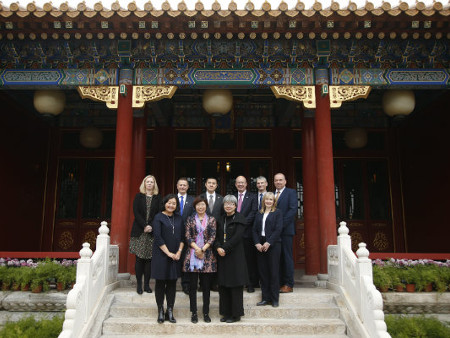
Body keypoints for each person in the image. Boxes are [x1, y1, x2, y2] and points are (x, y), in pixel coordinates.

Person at [214, 195, 249, 323]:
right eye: (226, 204)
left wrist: (225, 248)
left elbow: (237, 237)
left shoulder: (240, 219)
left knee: (235, 285)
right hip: (222, 256)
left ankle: (236, 314)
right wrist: (218, 247)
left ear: (235, 206)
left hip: (235, 256)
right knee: (223, 285)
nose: (228, 206)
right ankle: (226, 313)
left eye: (231, 204)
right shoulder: (220, 219)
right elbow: (216, 236)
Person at [151, 194, 184, 324]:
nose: (171, 205)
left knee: (172, 284)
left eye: (174, 204)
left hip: (176, 256)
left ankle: (170, 310)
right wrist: (169, 253)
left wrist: (179, 252)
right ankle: (160, 310)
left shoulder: (180, 218)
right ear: (165, 203)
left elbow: (182, 237)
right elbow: (157, 237)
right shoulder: (158, 217)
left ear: (176, 206)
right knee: (160, 283)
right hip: (161, 254)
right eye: (169, 203)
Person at [183, 196, 217, 324]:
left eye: (202, 204)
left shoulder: (212, 220)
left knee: (206, 287)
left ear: (206, 206)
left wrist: (203, 250)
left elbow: (213, 237)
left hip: (207, 256)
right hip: (193, 254)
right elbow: (187, 236)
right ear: (195, 207)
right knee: (193, 287)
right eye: (198, 205)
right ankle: (194, 313)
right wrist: (197, 249)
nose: (200, 207)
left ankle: (206, 312)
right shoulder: (190, 219)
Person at [129, 175, 162, 295]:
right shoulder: (138, 197)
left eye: (151, 182)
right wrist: (145, 225)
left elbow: (159, 213)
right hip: (140, 231)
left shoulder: (158, 198)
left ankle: (147, 284)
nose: (149, 184)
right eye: (147, 182)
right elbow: (136, 213)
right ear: (144, 183)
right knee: (139, 259)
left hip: (152, 232)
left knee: (149, 259)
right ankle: (139, 284)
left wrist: (151, 226)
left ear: (154, 184)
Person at [252, 192, 283, 307]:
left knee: (273, 272)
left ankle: (275, 299)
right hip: (260, 245)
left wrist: (269, 242)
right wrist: (257, 243)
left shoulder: (277, 213)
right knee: (263, 272)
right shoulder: (259, 214)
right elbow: (254, 230)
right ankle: (265, 298)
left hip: (273, 245)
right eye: (267, 199)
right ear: (263, 201)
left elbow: (278, 229)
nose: (268, 201)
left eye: (271, 199)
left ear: (274, 201)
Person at [273, 173, 297, 293]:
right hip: (273, 233)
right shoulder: (271, 195)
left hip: (285, 231)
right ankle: (279, 283)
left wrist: (280, 226)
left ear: (285, 181)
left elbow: (292, 210)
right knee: (277, 257)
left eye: (280, 180)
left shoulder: (291, 193)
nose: (278, 182)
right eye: (276, 180)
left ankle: (288, 284)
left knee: (287, 257)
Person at [234, 176, 258, 293]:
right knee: (235, 260)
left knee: (249, 260)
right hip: (233, 234)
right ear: (235, 184)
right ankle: (238, 282)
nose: (240, 185)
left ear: (246, 184)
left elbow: (253, 213)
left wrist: (241, 224)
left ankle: (250, 283)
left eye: (242, 182)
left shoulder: (253, 197)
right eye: (238, 183)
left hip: (247, 233)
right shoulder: (232, 197)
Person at [176, 177, 195, 295]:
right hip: (174, 233)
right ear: (177, 186)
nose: (182, 187)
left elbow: (194, 215)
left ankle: (186, 284)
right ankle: (172, 281)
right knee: (174, 257)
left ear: (188, 187)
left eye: (185, 185)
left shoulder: (193, 200)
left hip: (188, 233)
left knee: (187, 259)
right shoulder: (172, 199)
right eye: (180, 185)